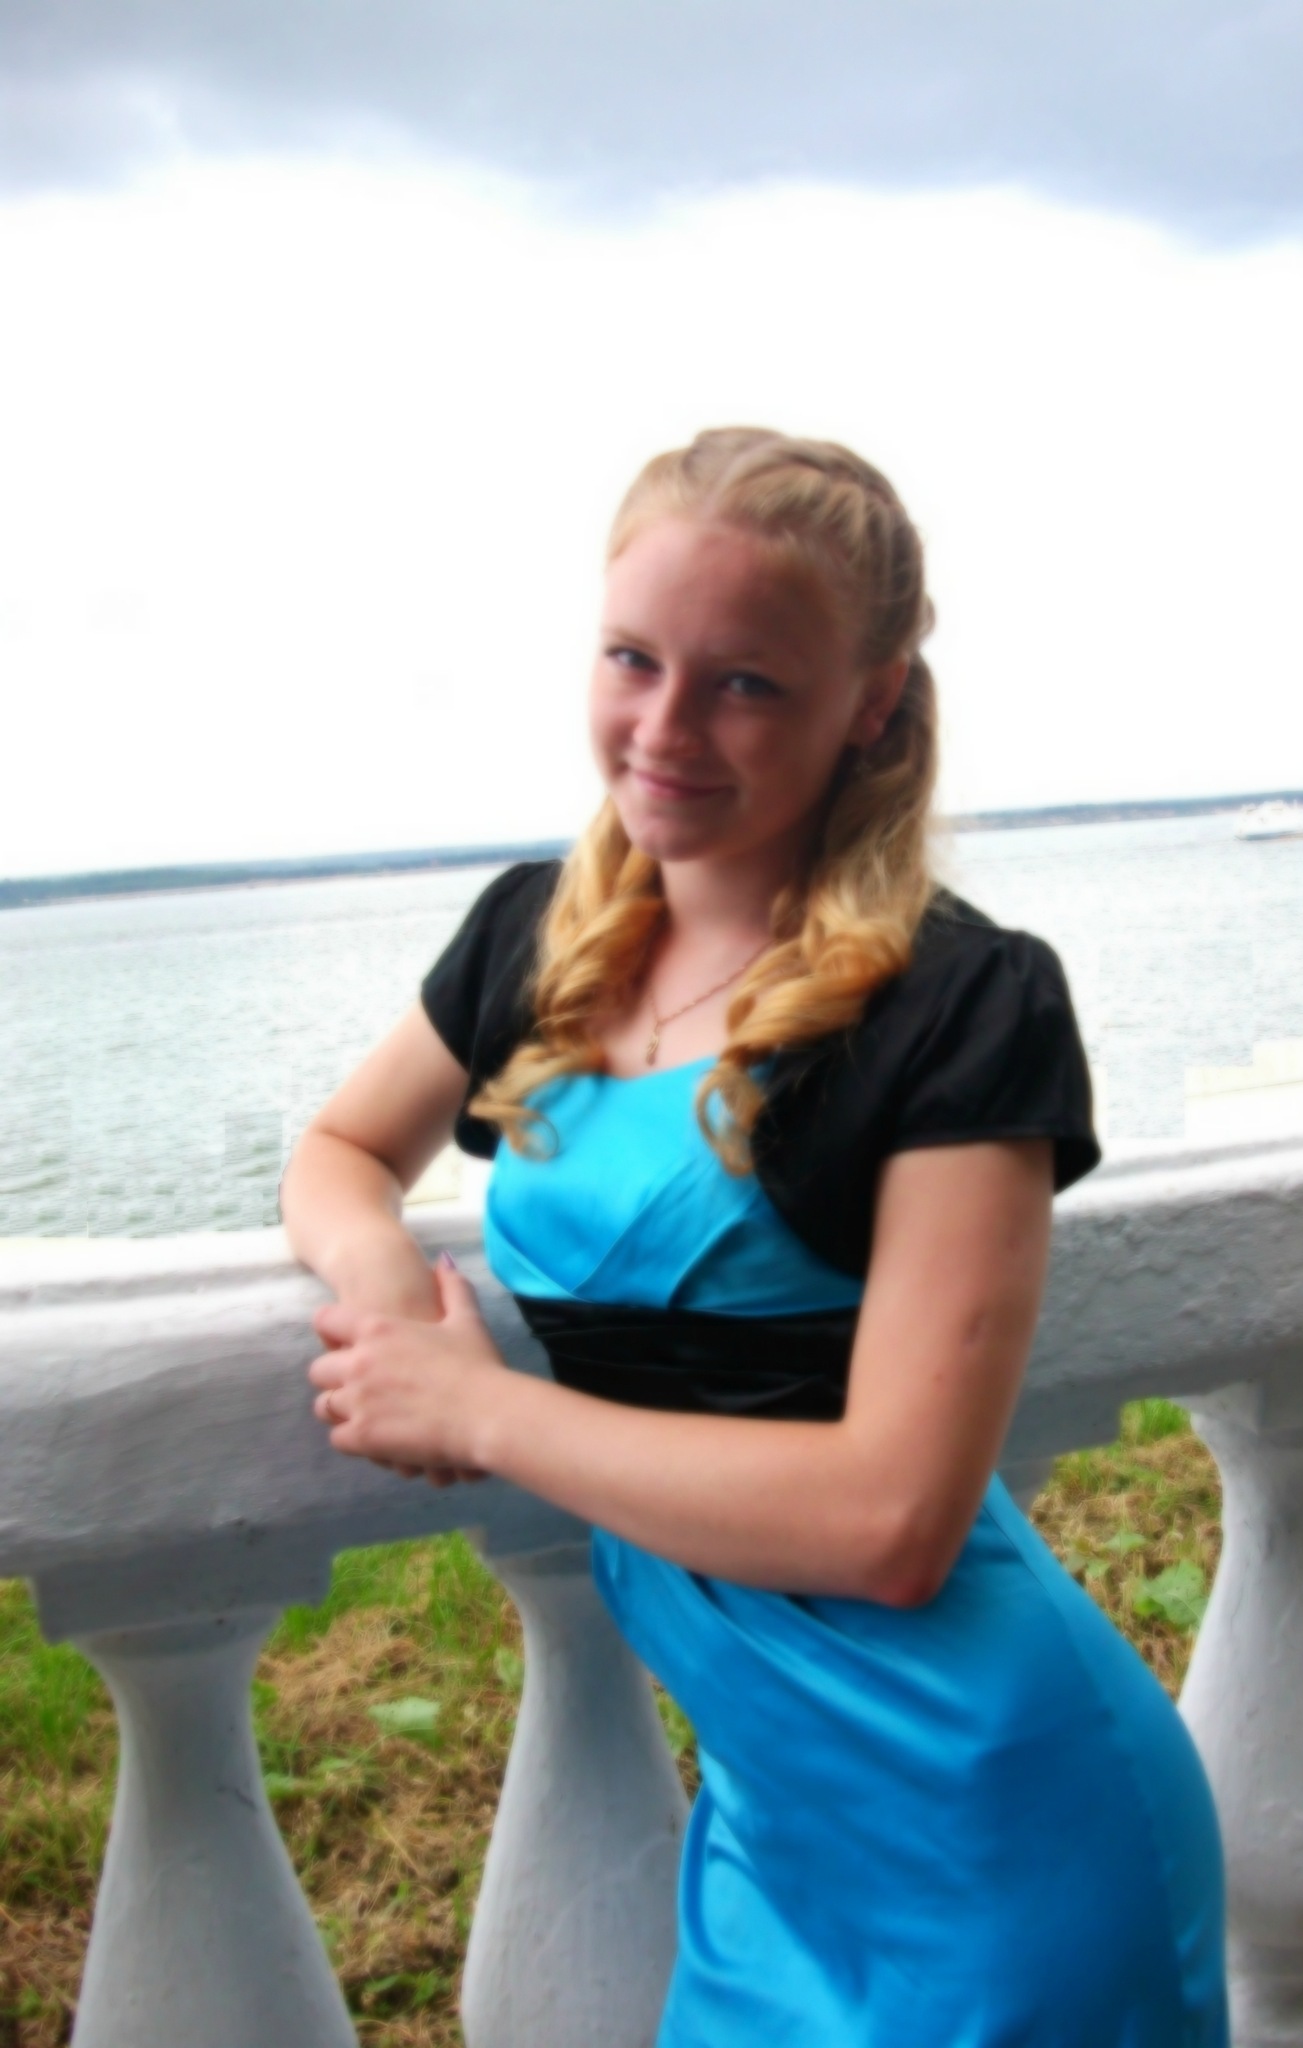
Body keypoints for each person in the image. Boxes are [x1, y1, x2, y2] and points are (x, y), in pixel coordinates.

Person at [282, 428, 1229, 2045]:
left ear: (871, 700)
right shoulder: (537, 936)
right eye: (632, 659)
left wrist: (483, 1410)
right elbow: (341, 1147)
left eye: (745, 684)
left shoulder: (958, 1003)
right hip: (773, 1824)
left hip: (997, 1829)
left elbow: (894, 1522)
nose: (664, 729)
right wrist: (384, 1290)